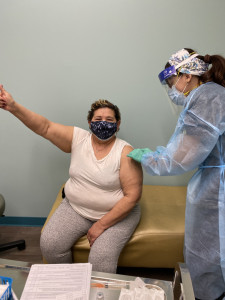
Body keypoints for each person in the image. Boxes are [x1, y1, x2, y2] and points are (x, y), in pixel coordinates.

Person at [0, 86, 143, 273]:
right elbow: (45, 127)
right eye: (98, 119)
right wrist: (13, 106)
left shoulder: (125, 152)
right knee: (50, 244)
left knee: (101, 258)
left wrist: (101, 225)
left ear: (118, 124)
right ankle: (69, 284)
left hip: (117, 215)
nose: (103, 123)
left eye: (109, 120)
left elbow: (132, 197)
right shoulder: (78, 139)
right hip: (76, 208)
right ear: (89, 122)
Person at [128, 48, 225, 300]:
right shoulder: (216, 95)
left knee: (211, 253)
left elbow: (181, 157)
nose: (173, 91)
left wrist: (149, 158)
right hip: (215, 182)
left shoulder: (207, 98)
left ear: (187, 76)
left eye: (172, 83)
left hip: (219, 190)